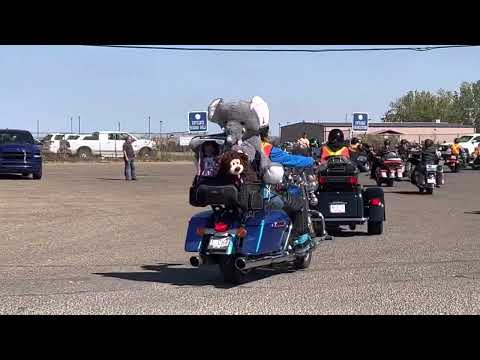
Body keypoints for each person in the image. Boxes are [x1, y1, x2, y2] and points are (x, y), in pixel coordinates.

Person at [260, 126, 317, 250]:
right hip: (264, 193)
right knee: (299, 204)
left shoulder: (238, 146)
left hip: (242, 194)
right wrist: (312, 160)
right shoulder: (267, 149)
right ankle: (299, 240)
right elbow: (291, 160)